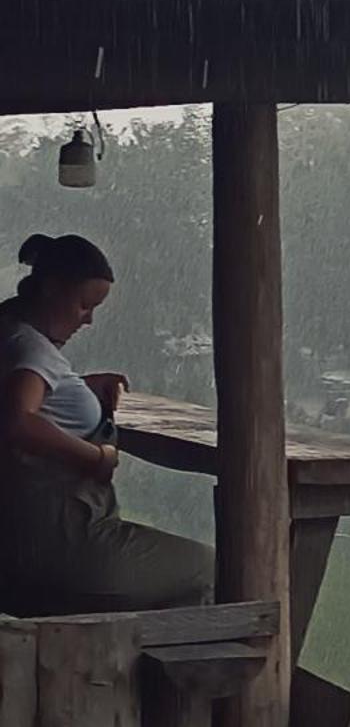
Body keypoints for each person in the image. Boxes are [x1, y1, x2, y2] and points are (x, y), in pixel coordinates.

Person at [0, 233, 213, 612]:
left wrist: (78, 388)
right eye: (84, 305)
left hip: (14, 545)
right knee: (212, 571)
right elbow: (18, 420)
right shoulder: (30, 348)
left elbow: (31, 394)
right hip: (61, 547)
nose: (89, 320)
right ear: (50, 288)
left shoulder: (9, 329)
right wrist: (95, 457)